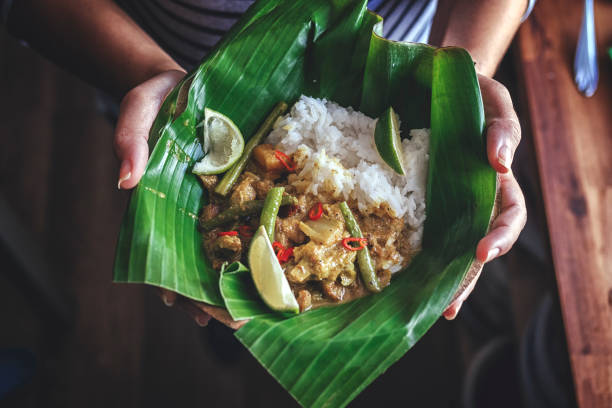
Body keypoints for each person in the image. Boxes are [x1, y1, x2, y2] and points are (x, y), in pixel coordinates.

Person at [2, 0, 528, 326]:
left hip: (398, 72)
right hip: (176, 102)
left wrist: (457, 84)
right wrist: (153, 73)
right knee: (226, 323)